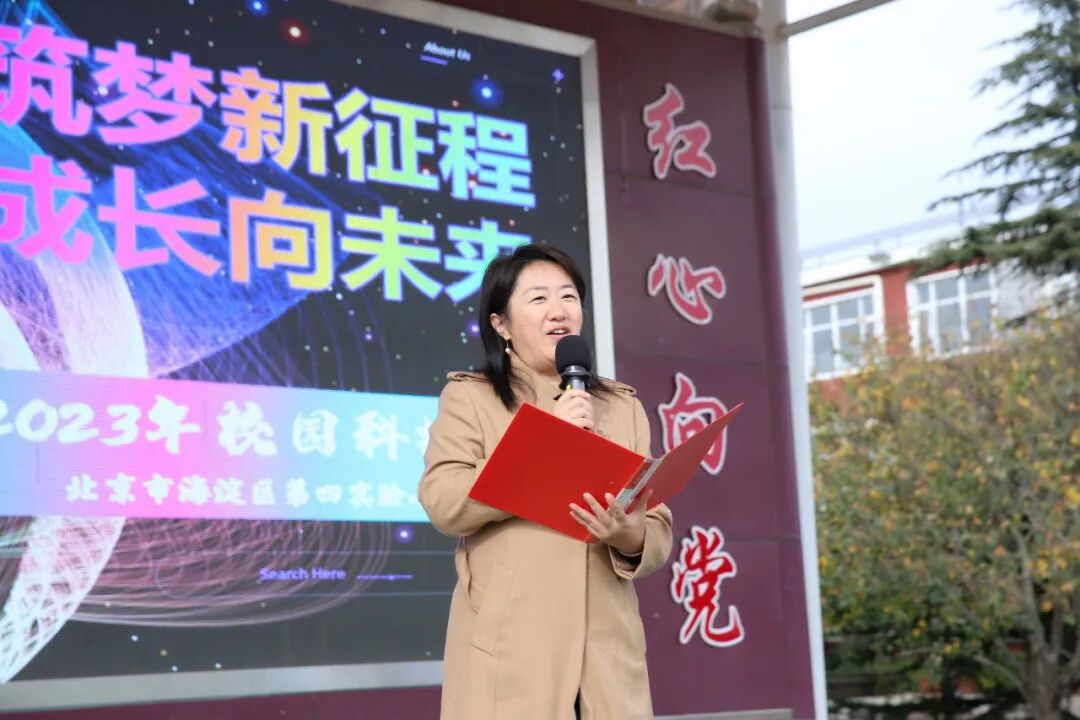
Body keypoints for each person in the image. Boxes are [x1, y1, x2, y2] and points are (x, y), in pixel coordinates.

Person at [419, 243, 673, 719]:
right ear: (501, 324)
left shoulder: (622, 407)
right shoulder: (470, 398)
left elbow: (656, 527)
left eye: (568, 297)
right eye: (538, 298)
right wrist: (542, 443)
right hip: (513, 661)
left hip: (607, 664)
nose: (559, 310)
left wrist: (628, 534)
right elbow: (444, 501)